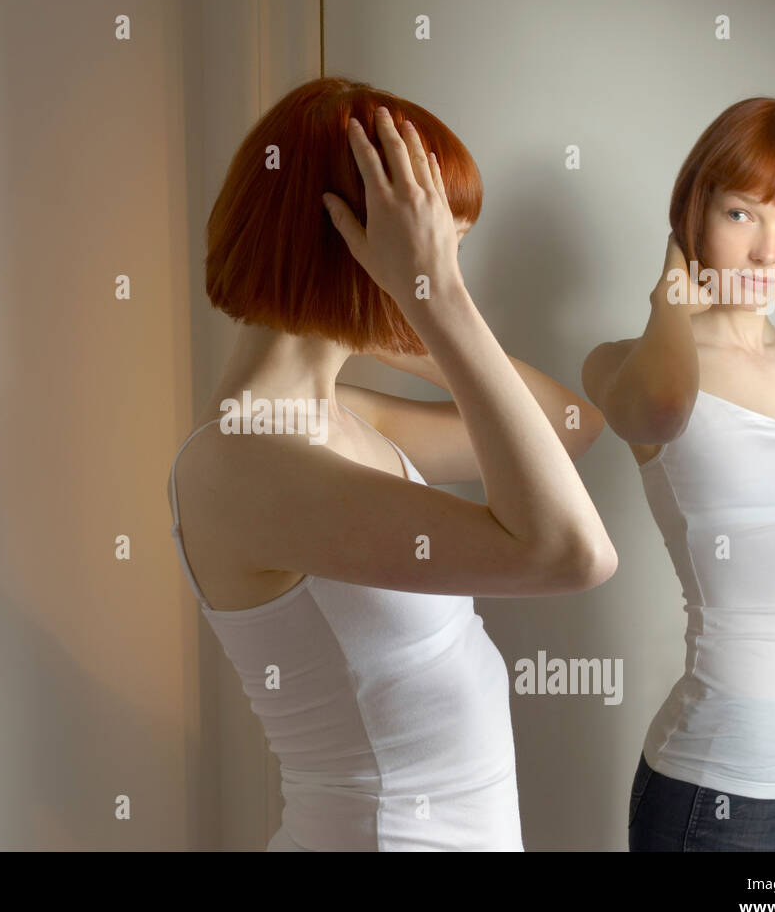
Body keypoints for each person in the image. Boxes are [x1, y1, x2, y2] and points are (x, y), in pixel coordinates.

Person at [167, 77, 617, 851]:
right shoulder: (240, 459)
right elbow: (573, 551)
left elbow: (568, 424)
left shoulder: (340, 416)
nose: (450, 274)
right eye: (440, 246)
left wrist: (392, 313)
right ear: (353, 246)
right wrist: (429, 296)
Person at [582, 97, 775, 851]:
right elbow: (660, 406)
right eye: (743, 214)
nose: (766, 253)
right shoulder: (623, 361)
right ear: (694, 211)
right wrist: (670, 298)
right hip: (716, 794)